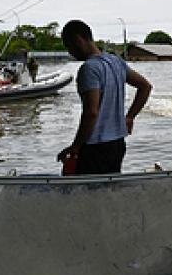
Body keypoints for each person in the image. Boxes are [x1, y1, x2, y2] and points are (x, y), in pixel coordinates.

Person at [57, 20, 152, 175]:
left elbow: (91, 112)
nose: (70, 53)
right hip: (117, 144)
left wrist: (75, 146)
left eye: (69, 47)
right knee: (109, 191)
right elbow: (145, 87)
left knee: (89, 194)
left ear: (78, 40)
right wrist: (130, 117)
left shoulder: (89, 69)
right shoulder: (116, 62)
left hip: (96, 147)